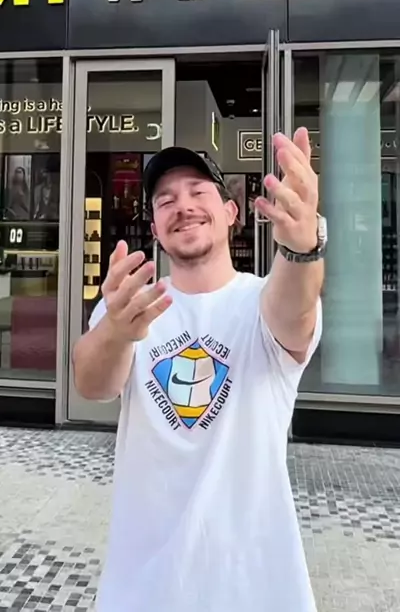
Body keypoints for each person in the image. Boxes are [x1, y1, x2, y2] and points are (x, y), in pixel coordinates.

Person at [73, 128, 326, 612]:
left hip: (257, 589)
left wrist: (301, 249)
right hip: (141, 590)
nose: (183, 206)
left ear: (231, 212)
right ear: (155, 227)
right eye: (165, 200)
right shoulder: (131, 307)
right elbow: (91, 383)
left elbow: (294, 312)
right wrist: (116, 332)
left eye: (197, 192)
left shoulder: (260, 301)